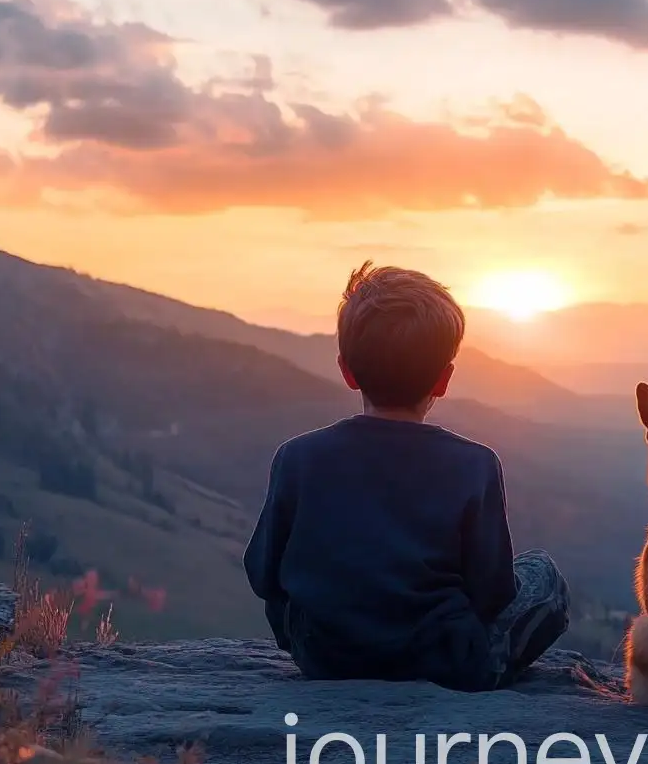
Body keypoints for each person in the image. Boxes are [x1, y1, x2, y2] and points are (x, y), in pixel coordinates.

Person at [243, 263, 568, 687]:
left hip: (325, 657)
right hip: (446, 662)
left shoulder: (297, 457)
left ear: (346, 370)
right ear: (444, 380)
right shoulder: (475, 464)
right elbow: (493, 594)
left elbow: (263, 573)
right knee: (542, 573)